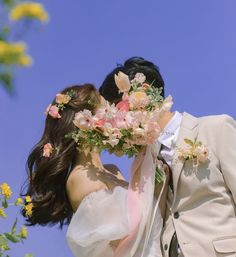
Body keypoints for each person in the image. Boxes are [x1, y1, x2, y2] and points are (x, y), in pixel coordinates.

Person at [99, 57, 236, 257]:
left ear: (142, 92)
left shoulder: (216, 128)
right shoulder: (144, 161)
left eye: (118, 111)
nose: (117, 122)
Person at [22, 84, 168, 257]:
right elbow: (126, 241)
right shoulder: (79, 179)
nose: (115, 116)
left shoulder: (113, 171)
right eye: (106, 110)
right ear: (85, 122)